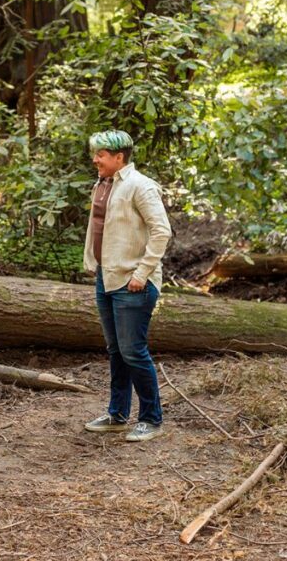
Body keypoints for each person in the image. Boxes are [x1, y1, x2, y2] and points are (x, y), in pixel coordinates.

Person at [83, 130, 171, 442]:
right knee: (116, 350)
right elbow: (99, 228)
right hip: (106, 278)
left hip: (132, 283)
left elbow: (161, 231)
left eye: (101, 155)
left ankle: (151, 419)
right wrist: (93, 264)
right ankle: (117, 414)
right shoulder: (103, 184)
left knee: (133, 351)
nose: (95, 160)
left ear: (119, 157)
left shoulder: (141, 186)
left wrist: (142, 273)